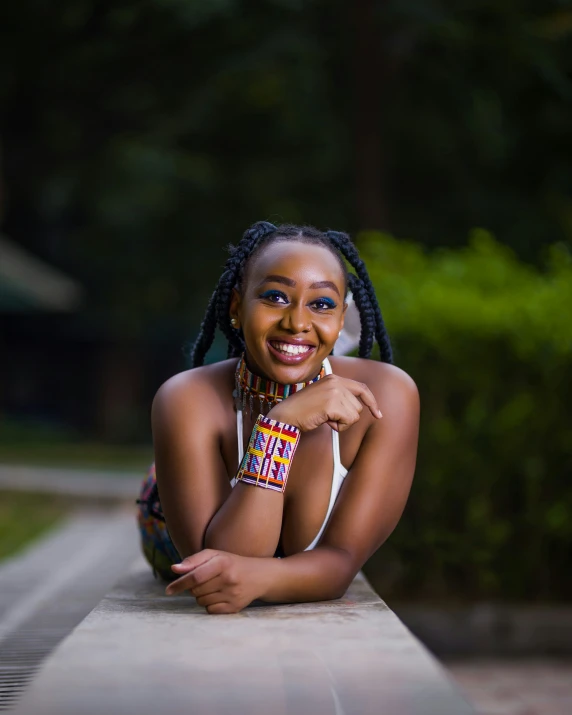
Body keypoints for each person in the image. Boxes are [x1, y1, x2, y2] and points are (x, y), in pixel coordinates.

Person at [137, 221, 419, 614]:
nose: (297, 322)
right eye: (275, 297)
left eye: (321, 304)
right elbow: (221, 565)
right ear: (236, 307)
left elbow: (340, 563)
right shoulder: (185, 398)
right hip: (165, 517)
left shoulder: (388, 395)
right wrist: (278, 427)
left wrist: (261, 577)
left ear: (341, 318)